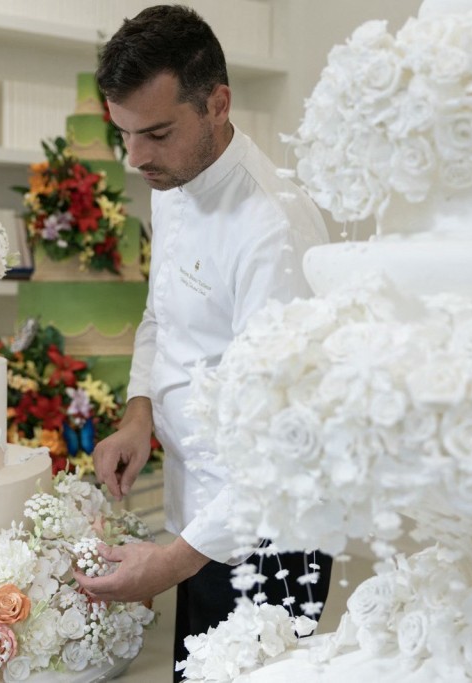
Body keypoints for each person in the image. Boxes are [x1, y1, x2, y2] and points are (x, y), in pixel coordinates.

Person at [72, 5, 332, 678]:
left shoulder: (274, 227)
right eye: (124, 134)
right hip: (199, 512)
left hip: (268, 531)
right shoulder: (174, 175)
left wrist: (170, 561)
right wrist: (139, 413)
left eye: (155, 132)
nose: (135, 158)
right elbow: (164, 316)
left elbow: (283, 438)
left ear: (217, 103)